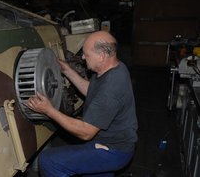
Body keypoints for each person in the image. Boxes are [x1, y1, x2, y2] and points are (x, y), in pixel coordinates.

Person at [25, 31, 138, 177]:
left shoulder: (112, 87)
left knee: (48, 161)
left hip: (113, 150)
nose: (83, 58)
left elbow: (85, 133)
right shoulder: (115, 67)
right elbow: (92, 90)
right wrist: (67, 70)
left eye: (86, 54)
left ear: (102, 56)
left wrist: (48, 110)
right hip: (116, 142)